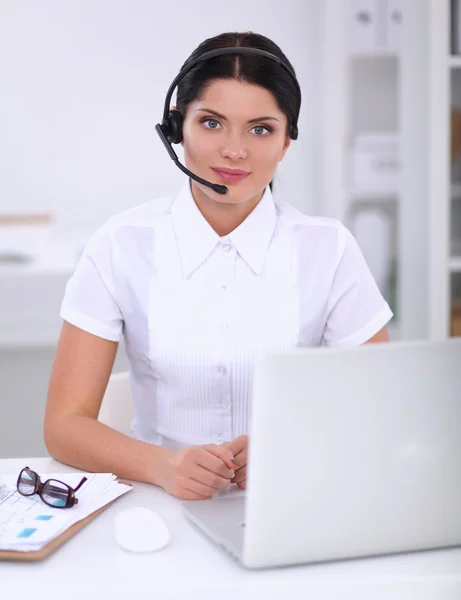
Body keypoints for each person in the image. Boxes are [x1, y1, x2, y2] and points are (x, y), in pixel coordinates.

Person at [44, 31, 393, 501]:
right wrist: (165, 466)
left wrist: (288, 448)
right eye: (211, 123)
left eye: (261, 128)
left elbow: (380, 408)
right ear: (176, 127)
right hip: (156, 504)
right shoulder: (120, 245)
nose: (235, 150)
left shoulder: (328, 248)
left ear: (287, 141)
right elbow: (64, 424)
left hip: (297, 500)